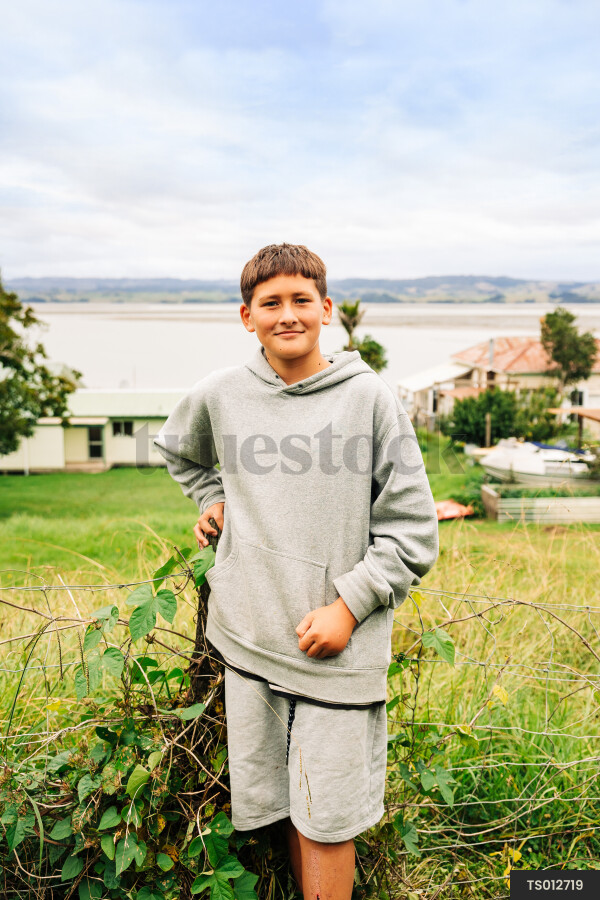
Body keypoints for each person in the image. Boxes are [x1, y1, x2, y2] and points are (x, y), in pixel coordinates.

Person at [153, 243, 439, 900]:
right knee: (285, 803)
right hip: (252, 634)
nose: (288, 315)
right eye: (271, 303)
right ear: (247, 316)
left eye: (300, 301)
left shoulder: (368, 400)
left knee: (328, 818)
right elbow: (179, 452)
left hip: (338, 650)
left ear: (327, 310)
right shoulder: (222, 395)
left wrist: (351, 605)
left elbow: (413, 528)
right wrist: (212, 497)